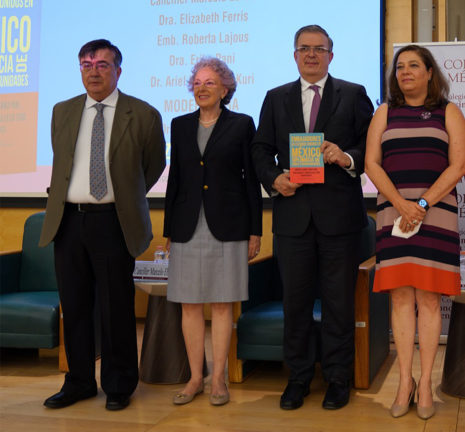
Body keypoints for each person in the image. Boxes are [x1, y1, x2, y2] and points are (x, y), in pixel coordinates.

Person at [251, 24, 374, 411]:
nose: (311, 54)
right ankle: (298, 378)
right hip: (292, 218)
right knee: (296, 303)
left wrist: (346, 156)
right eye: (304, 48)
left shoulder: (354, 95)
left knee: (339, 304)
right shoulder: (275, 98)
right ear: (294, 55)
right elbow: (259, 150)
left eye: (319, 49)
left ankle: (338, 379)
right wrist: (275, 178)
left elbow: (371, 147)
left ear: (331, 55)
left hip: (340, 219)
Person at [39, 39, 166, 411]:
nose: (93, 71)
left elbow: (152, 167)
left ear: (118, 71)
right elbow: (62, 166)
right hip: (68, 222)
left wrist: (122, 195)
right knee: (75, 307)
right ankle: (78, 382)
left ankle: (119, 384)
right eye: (86, 64)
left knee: (116, 308)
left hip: (113, 222)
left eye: (102, 65)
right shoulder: (62, 111)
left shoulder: (142, 114)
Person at [365, 45, 465, 419]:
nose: (405, 72)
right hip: (394, 212)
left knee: (428, 298)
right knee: (399, 298)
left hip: (435, 214)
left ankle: (425, 382)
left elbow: (459, 165)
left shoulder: (448, 112)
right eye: (400, 67)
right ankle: (404, 381)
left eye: (413, 66)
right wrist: (403, 205)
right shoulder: (384, 112)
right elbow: (371, 164)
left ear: (429, 73)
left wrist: (422, 205)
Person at [163, 57, 262, 406]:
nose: (201, 88)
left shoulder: (242, 124)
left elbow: (251, 180)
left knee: (222, 304)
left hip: (230, 224)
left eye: (209, 83)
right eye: (197, 82)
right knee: (189, 304)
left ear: (225, 89)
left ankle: (218, 378)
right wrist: (168, 230)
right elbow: (176, 178)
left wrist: (255, 229)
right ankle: (195, 378)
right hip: (187, 225)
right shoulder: (178, 124)